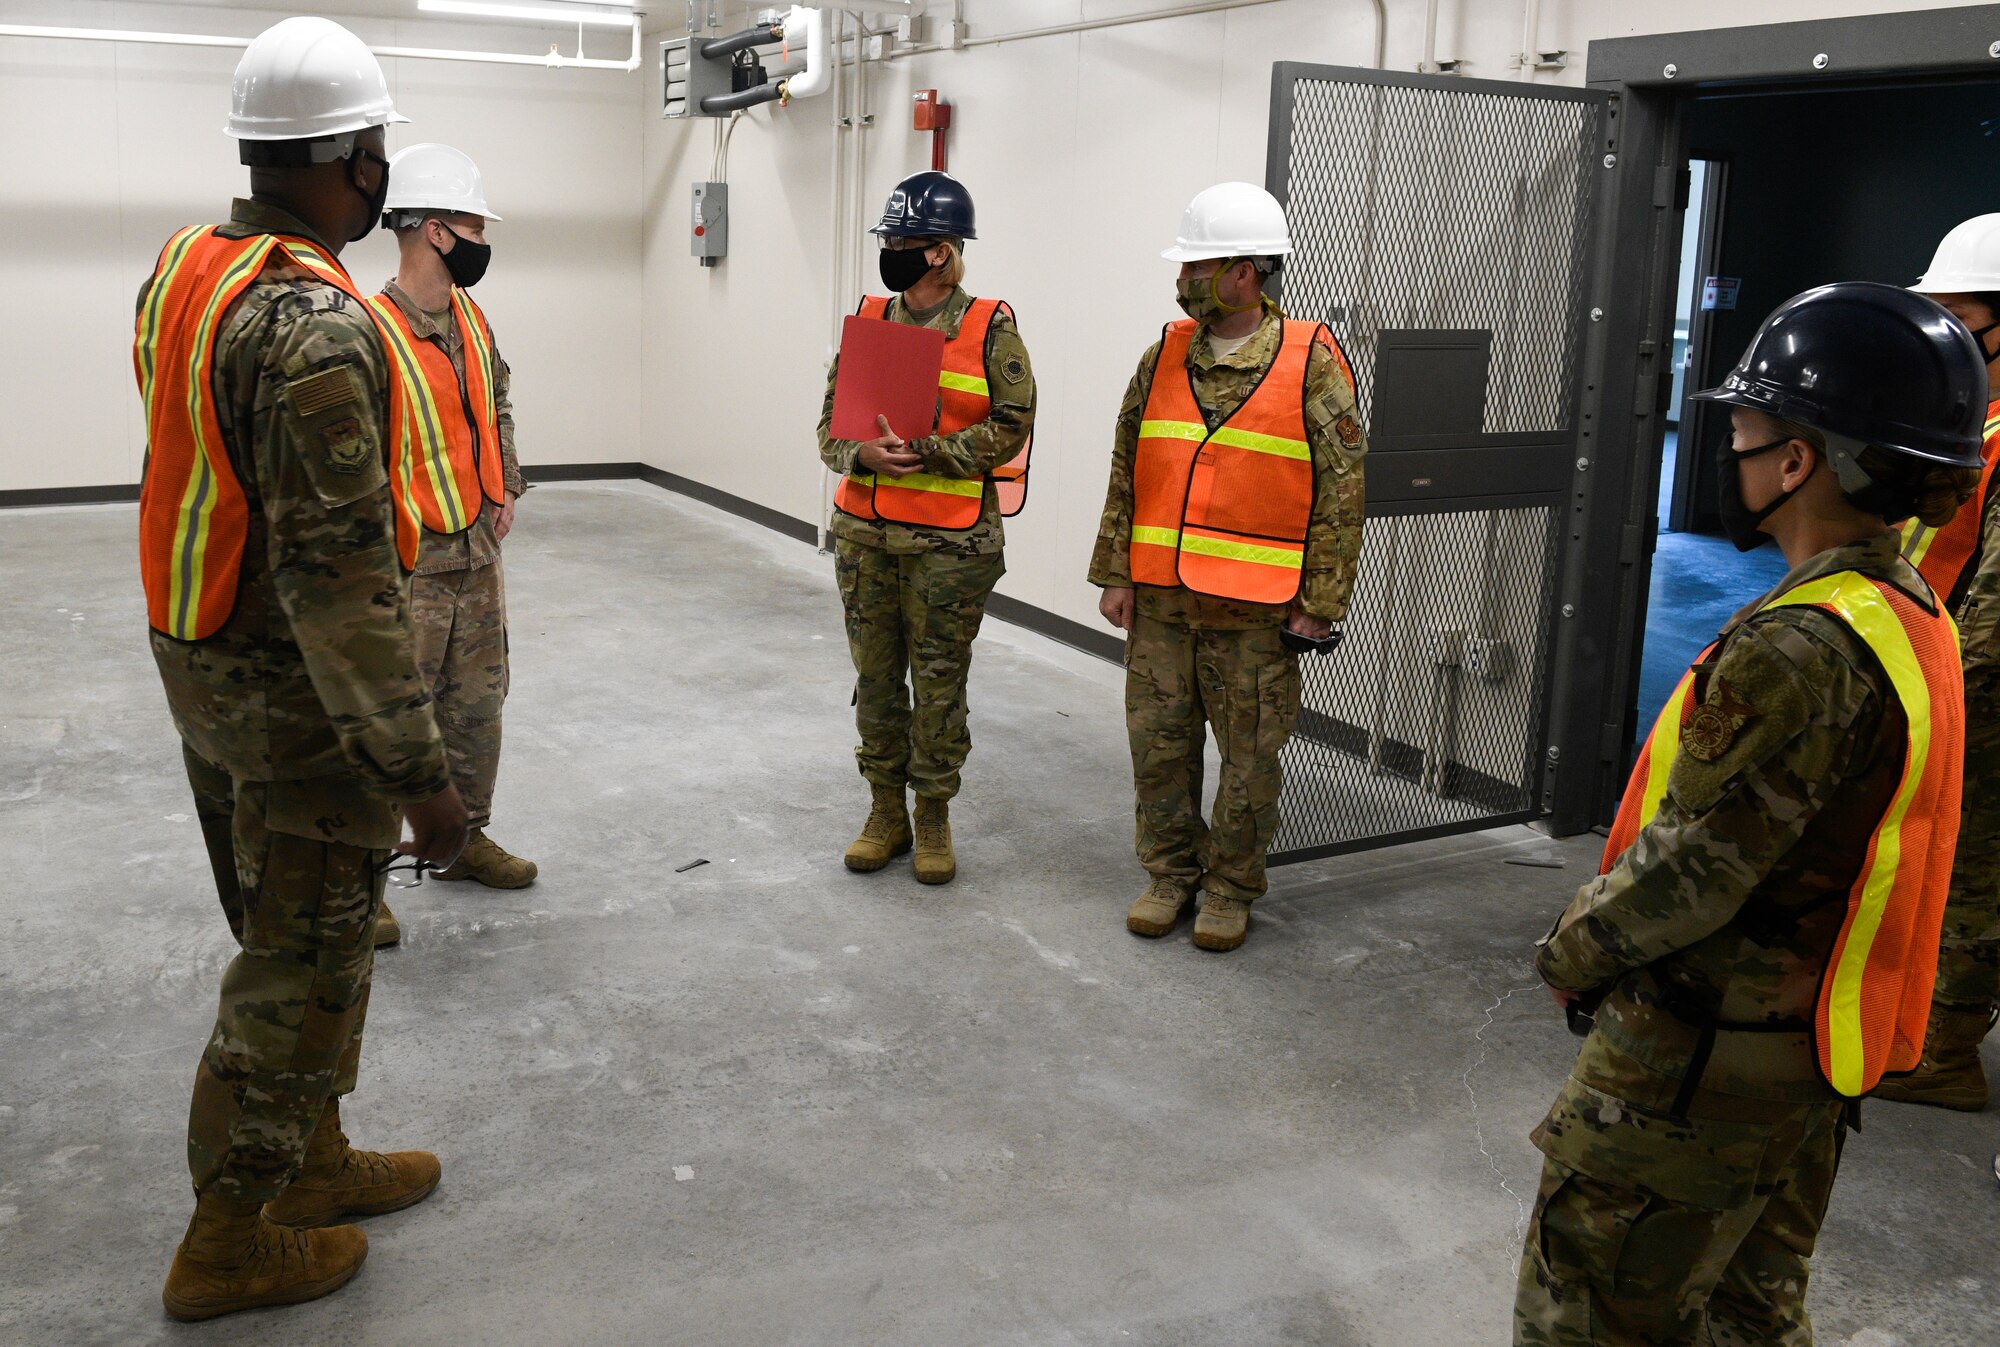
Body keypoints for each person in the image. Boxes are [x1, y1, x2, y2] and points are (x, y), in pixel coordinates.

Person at [1516, 282, 1986, 1346]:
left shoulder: (1800, 646)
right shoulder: (1901, 606)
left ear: (1796, 461)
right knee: (1747, 1315)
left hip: (1695, 1067)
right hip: (1803, 1054)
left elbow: (1691, 874)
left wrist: (1570, 951)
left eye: (1742, 429)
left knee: (1590, 1308)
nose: (1725, 449)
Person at [135, 17, 467, 1320]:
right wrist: (420, 778)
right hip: (289, 694)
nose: (383, 173)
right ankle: (227, 1238)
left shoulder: (191, 262)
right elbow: (338, 586)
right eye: (376, 150)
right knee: (298, 962)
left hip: (198, 653)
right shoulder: (315, 325)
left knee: (298, 931)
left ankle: (310, 1161)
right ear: (350, 162)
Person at [1088, 182, 1366, 952]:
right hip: (1163, 601)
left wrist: (1324, 600)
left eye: (1198, 265)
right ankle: (1169, 874)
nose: (1183, 280)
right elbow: (1127, 465)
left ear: (1247, 270)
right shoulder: (1164, 354)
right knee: (1159, 747)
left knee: (1249, 759)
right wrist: (1116, 569)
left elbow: (1343, 490)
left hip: (1258, 610)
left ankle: (1229, 888)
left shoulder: (1312, 361)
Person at [816, 171, 1035, 885]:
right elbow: (827, 431)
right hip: (867, 538)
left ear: (940, 252)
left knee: (938, 683)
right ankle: (886, 811)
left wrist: (936, 451)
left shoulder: (989, 326)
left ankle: (934, 814)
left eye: (903, 241)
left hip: (950, 545)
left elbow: (1014, 425)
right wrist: (863, 453)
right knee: (877, 682)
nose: (891, 252)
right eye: (890, 240)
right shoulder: (871, 322)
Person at [371, 143, 536, 942]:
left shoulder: (470, 315)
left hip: (477, 550)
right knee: (390, 721)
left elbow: (496, 399)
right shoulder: (371, 330)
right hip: (410, 561)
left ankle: (465, 841)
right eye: (471, 224)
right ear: (435, 231)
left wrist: (505, 484)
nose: (480, 238)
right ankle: (362, 884)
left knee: (478, 707)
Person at [1872, 213, 2000, 1110]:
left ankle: (1945, 1052)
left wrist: (1947, 696)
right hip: (1943, 670)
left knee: (1971, 869)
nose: (1950, 336)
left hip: (1979, 691)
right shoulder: (1985, 418)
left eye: (1962, 316)